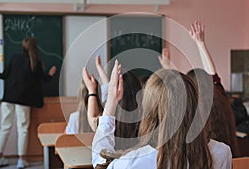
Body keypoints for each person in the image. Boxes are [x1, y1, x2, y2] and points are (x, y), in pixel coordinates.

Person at [92, 61, 232, 169]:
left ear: (150, 113)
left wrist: (111, 101)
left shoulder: (132, 163)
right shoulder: (222, 153)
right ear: (194, 105)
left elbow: (99, 162)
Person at [159, 21, 239, 157]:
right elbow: (213, 76)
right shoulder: (221, 103)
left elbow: (181, 88)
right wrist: (200, 43)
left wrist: (167, 68)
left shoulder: (196, 115)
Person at [0, 37, 57, 168]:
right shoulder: (35, 62)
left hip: (8, 98)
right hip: (23, 100)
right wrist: (51, 74)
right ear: (35, 47)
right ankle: (21, 160)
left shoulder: (14, 58)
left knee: (5, 127)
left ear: (23, 47)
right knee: (22, 129)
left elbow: (5, 74)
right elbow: (44, 79)